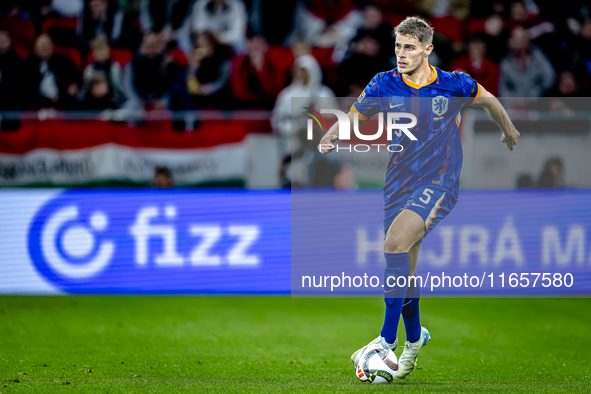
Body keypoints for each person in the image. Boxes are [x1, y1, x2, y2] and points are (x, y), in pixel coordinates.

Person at [318, 17, 520, 379]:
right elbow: (354, 115)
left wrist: (508, 130)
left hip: (439, 182)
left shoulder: (452, 83)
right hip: (397, 185)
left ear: (427, 49)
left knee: (394, 243)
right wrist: (333, 134)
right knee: (405, 271)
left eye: (409, 47)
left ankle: (385, 340)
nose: (401, 53)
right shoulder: (384, 83)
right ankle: (414, 340)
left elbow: (489, 101)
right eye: (398, 46)